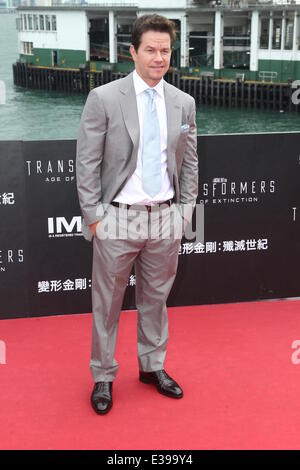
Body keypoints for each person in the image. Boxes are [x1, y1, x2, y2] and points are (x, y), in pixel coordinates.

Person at [76, 14, 198, 415]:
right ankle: (104, 375)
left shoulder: (183, 103)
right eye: (151, 50)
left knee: (156, 299)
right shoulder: (105, 98)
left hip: (165, 217)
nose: (159, 58)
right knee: (106, 303)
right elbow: (87, 163)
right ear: (133, 51)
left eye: (165, 50)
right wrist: (95, 217)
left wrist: (183, 212)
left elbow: (189, 163)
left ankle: (152, 366)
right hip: (117, 218)